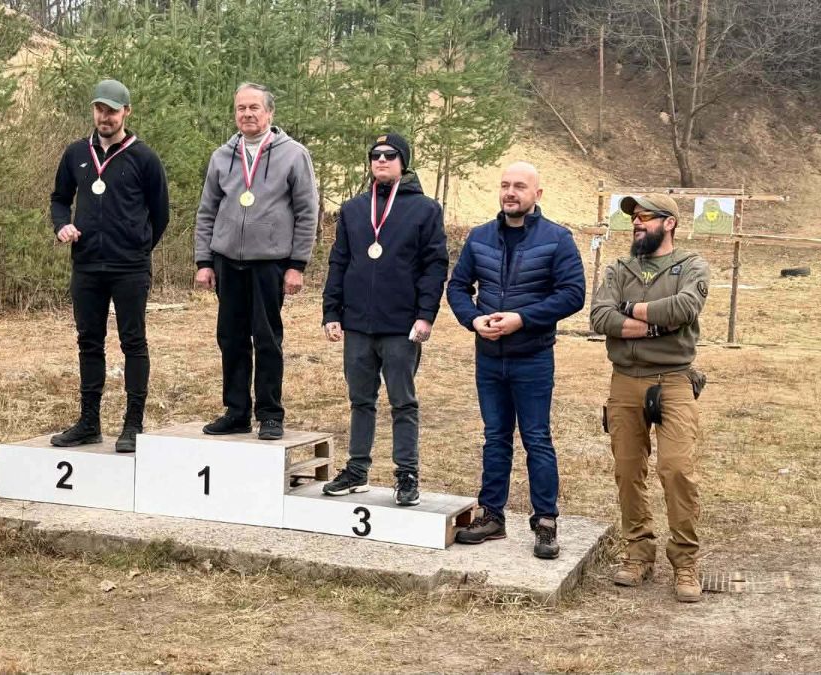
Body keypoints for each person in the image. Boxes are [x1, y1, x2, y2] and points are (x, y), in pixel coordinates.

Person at [446, 162, 585, 558]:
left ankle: (546, 522)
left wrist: (522, 319)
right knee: (495, 437)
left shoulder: (557, 239)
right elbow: (457, 286)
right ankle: (492, 515)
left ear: (537, 194)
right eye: (505, 185)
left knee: (537, 438)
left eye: (520, 186)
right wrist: (473, 319)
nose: (511, 192)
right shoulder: (480, 237)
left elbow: (572, 294)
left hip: (533, 357)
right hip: (489, 358)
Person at [589, 193, 711, 603]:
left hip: (674, 380)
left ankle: (685, 561)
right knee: (627, 470)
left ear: (669, 222)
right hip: (625, 380)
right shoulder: (619, 268)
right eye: (634, 218)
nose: (637, 223)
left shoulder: (690, 265)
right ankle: (638, 553)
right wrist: (656, 324)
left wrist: (629, 310)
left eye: (645, 217)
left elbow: (685, 307)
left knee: (676, 469)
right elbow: (600, 317)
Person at [320, 133, 448, 506]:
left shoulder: (425, 209)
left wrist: (426, 316)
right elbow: (339, 261)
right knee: (360, 400)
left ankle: (407, 475)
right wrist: (331, 311)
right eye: (375, 155)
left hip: (401, 326)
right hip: (358, 323)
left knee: (402, 402)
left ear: (403, 162)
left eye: (390, 155)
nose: (381, 160)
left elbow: (434, 266)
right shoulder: (353, 209)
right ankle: (357, 470)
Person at [49, 79, 170, 453]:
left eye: (113, 111)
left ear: (126, 113)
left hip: (129, 267)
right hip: (87, 266)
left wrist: (136, 247)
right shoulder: (75, 153)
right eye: (100, 110)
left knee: (133, 342)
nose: (105, 117)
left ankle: (133, 424)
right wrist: (61, 225)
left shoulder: (144, 158)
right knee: (89, 342)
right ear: (93, 110)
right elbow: (59, 199)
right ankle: (89, 423)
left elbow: (160, 214)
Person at [193, 82, 319, 440]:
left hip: (270, 263)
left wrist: (297, 265)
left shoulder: (293, 154)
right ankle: (236, 412)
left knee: (266, 338)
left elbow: (308, 212)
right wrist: (204, 260)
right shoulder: (222, 156)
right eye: (241, 108)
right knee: (231, 339)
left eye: (254, 108)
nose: (247, 114)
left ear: (269, 113)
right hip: (227, 261)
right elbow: (207, 211)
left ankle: (270, 414)